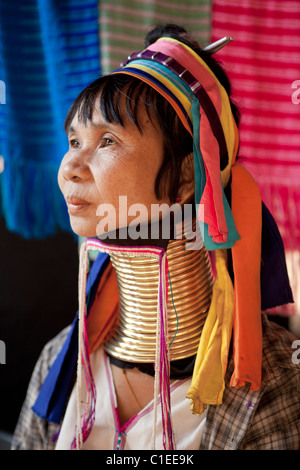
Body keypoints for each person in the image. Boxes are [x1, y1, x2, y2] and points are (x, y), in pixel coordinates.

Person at [11, 24, 300, 451]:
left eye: (106, 140)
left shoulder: (281, 378)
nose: (70, 164)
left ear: (186, 174)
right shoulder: (62, 359)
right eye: (74, 140)